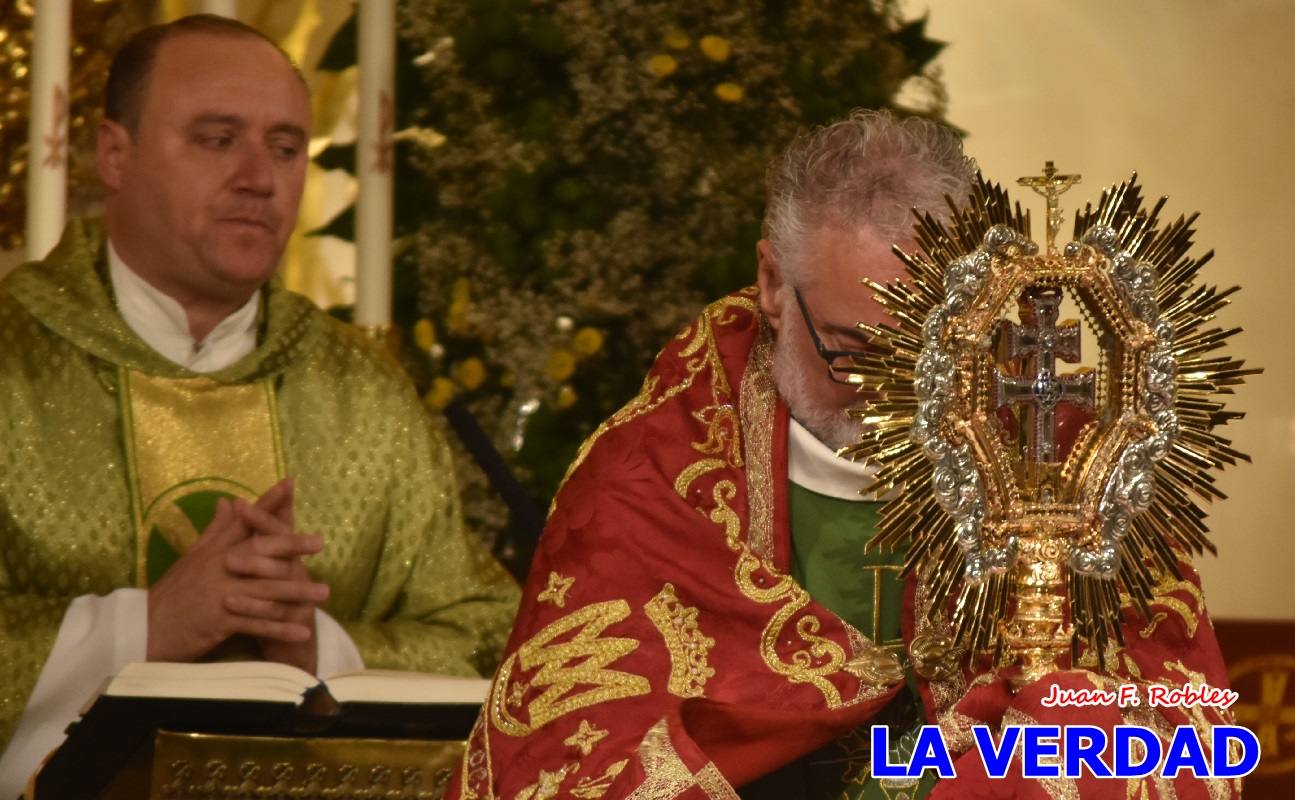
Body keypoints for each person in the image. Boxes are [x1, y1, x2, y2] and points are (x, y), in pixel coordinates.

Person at [445, 111, 1236, 799]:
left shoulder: (1070, 460)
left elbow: (1177, 731)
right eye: (854, 354)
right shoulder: (648, 472)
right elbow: (574, 747)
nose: (892, 400)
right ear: (770, 283)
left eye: (930, 354)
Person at [0, 14, 519, 791]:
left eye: (285, 147)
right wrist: (141, 628)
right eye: (217, 139)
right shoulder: (13, 358)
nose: (260, 177)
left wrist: (319, 653)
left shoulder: (361, 388)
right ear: (114, 153)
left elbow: (490, 637)